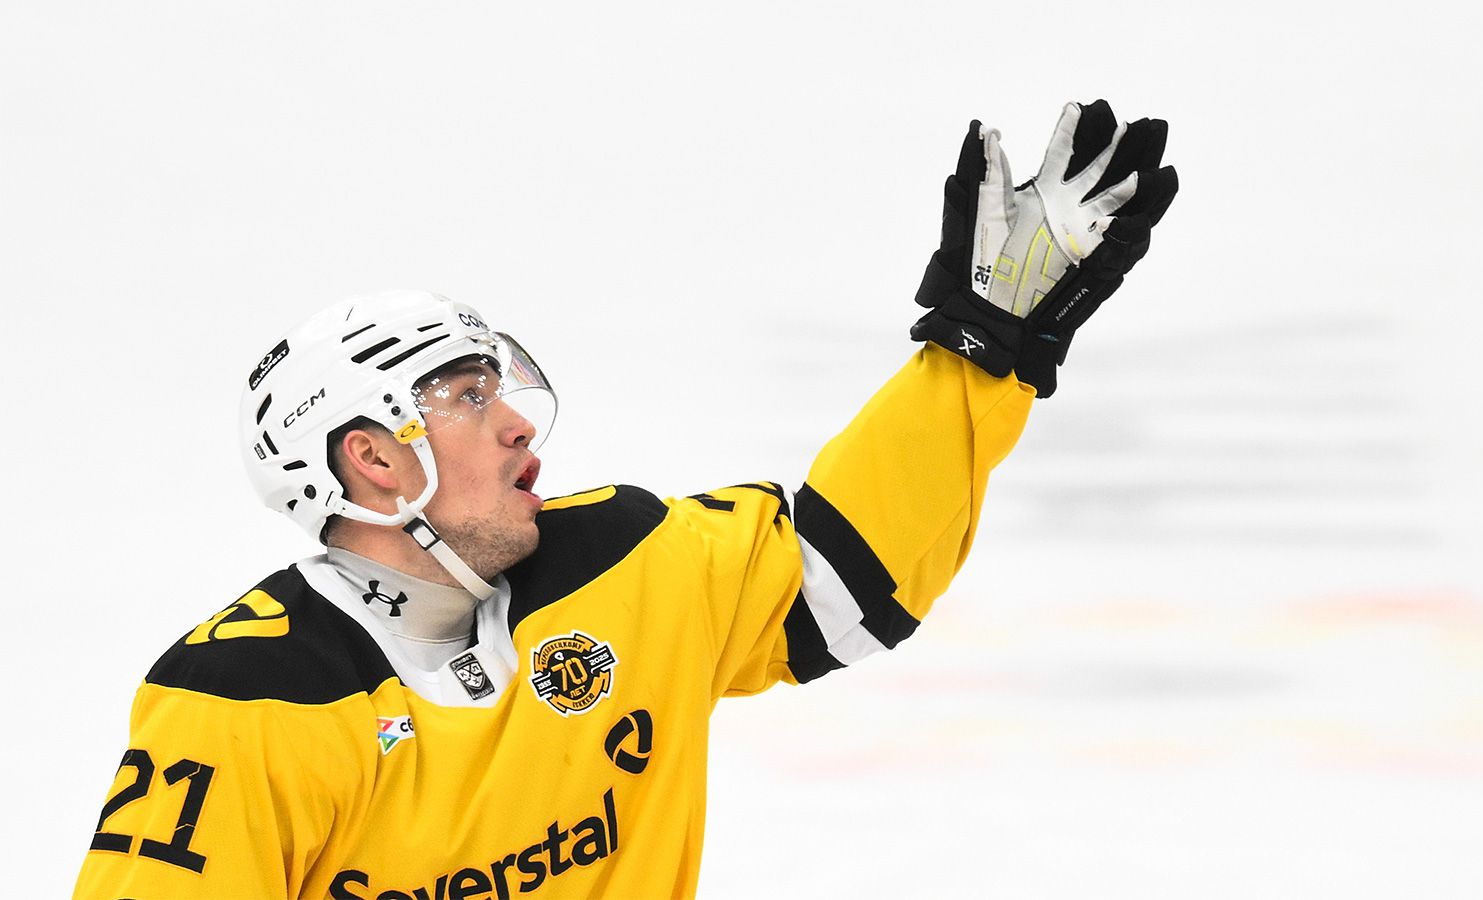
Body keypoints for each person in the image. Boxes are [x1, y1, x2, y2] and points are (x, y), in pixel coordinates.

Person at [73, 99, 1177, 899]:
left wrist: (980, 350)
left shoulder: (622, 560)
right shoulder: (247, 699)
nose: (516, 423)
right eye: (465, 398)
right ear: (373, 460)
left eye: (501, 388)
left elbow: (846, 574)